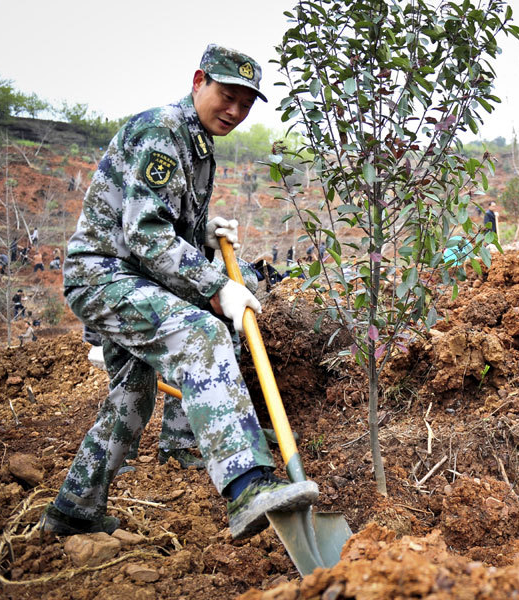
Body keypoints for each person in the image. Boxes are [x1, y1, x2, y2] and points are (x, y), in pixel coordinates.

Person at [38, 44, 318, 540]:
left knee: (132, 396)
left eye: (245, 105)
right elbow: (145, 236)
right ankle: (247, 486)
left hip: (133, 279)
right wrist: (217, 286)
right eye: (226, 96)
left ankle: (74, 509)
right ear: (198, 81)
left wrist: (201, 236)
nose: (234, 111)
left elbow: (160, 227)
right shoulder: (163, 130)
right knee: (202, 335)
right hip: (106, 277)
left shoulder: (198, 146)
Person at [83, 327, 203, 473]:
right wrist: (94, 338)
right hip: (125, 320)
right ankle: (107, 458)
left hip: (162, 316)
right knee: (130, 386)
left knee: (178, 369)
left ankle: (174, 446)